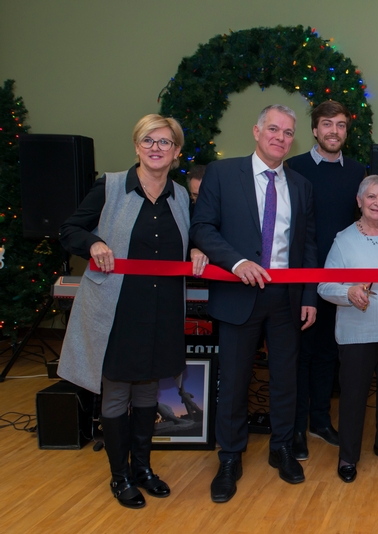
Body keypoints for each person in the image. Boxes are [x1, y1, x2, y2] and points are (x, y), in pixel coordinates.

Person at [58, 114, 208, 509]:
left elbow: (191, 237)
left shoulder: (180, 196)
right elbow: (69, 230)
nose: (156, 148)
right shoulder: (109, 186)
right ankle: (119, 476)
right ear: (137, 146)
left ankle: (142, 468)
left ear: (176, 152)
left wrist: (195, 249)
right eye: (148, 140)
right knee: (116, 392)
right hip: (117, 310)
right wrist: (92, 243)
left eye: (164, 142)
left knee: (147, 392)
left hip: (161, 310)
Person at [190, 104, 317, 502]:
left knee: (285, 379)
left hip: (285, 298)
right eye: (273, 130)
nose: (280, 137)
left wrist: (310, 295)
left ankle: (281, 448)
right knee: (234, 383)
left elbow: (308, 244)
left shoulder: (300, 185)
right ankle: (229, 457)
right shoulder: (223, 174)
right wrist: (238, 261)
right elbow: (202, 227)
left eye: (287, 132)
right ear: (257, 131)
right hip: (237, 295)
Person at [317, 175, 378, 483]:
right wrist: (348, 293)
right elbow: (324, 286)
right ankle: (348, 456)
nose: (377, 203)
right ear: (359, 201)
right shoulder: (343, 240)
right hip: (357, 333)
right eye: (371, 197)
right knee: (354, 396)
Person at [285, 100, 365, 460]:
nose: (335, 131)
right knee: (301, 356)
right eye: (327, 124)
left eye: (341, 125)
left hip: (339, 282)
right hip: (303, 279)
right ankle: (296, 427)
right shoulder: (294, 169)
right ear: (315, 130)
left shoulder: (359, 173)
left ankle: (320, 420)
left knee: (328, 356)